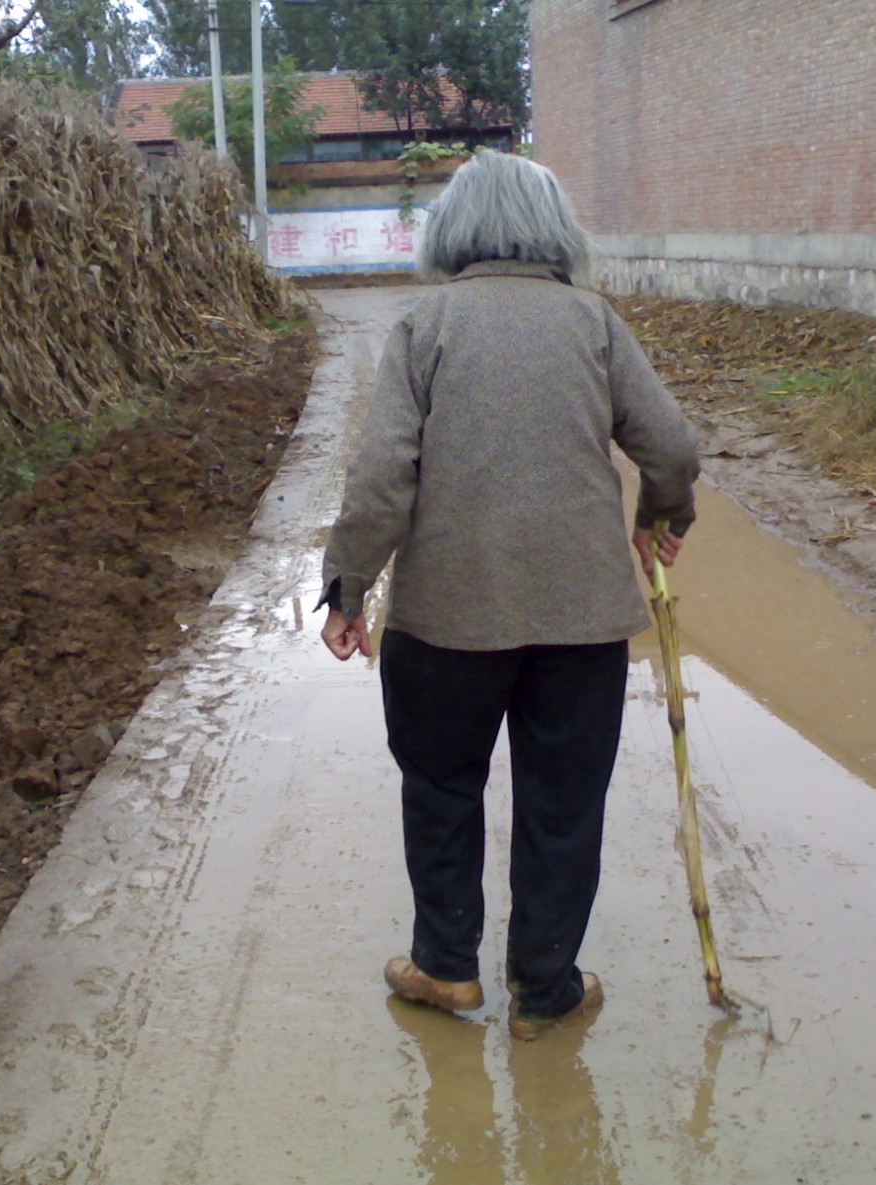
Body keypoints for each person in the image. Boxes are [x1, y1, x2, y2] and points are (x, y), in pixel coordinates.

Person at [318, 149, 699, 1040]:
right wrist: (663, 513)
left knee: (443, 784)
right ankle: (546, 989)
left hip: (446, 621)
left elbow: (382, 476)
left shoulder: (427, 325)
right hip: (581, 623)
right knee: (564, 801)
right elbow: (672, 445)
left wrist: (347, 587)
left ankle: (447, 969)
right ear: (555, 231)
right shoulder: (594, 324)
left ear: (452, 232)